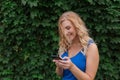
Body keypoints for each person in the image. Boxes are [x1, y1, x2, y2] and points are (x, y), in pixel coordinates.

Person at [53, 11, 99, 80]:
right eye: (63, 30)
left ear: (77, 26)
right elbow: (60, 74)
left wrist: (71, 67)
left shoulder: (90, 47)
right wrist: (59, 66)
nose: (66, 33)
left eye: (68, 28)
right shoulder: (65, 45)